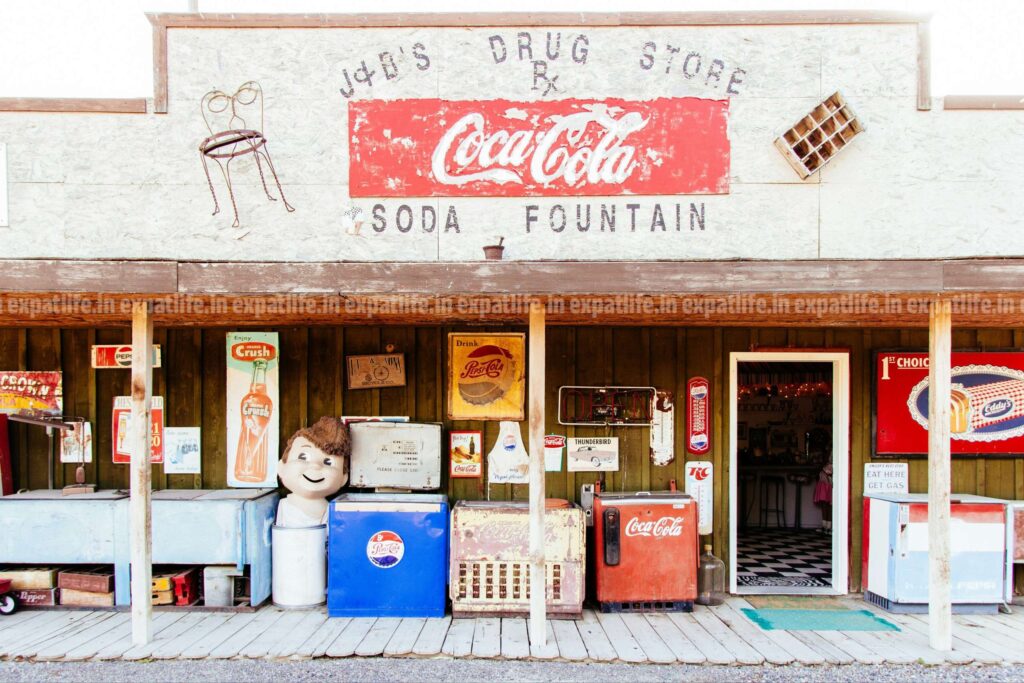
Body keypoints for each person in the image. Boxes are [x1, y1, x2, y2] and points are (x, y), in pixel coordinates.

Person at [276, 417, 351, 527]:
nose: (315, 466)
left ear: (343, 478)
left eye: (328, 462)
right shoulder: (284, 504)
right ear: (281, 467)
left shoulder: (330, 509)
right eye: (303, 457)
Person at [814, 459, 833, 534]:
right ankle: (826, 526)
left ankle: (827, 526)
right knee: (826, 505)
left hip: (829, 485)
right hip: (825, 485)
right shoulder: (823, 471)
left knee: (828, 505)